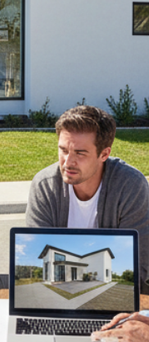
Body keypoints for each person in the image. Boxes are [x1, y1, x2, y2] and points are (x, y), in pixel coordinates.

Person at [26, 105, 149, 284]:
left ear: (104, 154)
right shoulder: (45, 185)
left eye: (80, 153)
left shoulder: (130, 185)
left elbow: (138, 263)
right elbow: (36, 253)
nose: (68, 162)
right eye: (63, 150)